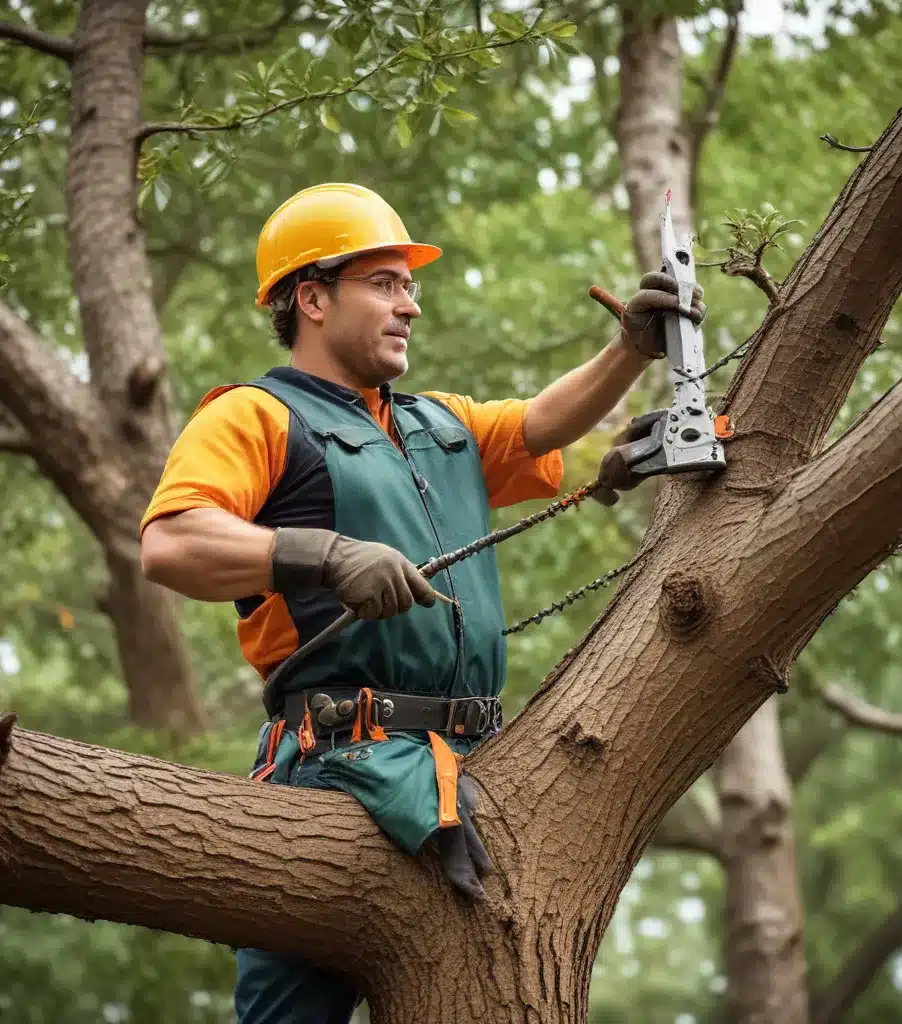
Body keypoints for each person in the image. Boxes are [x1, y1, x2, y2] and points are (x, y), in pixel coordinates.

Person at [139, 182, 704, 1024]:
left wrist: (629, 348)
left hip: (477, 767)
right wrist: (320, 554)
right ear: (314, 298)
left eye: (411, 285)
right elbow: (172, 544)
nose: (410, 304)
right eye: (385, 283)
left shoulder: (440, 424)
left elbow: (541, 423)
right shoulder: (258, 415)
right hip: (335, 769)